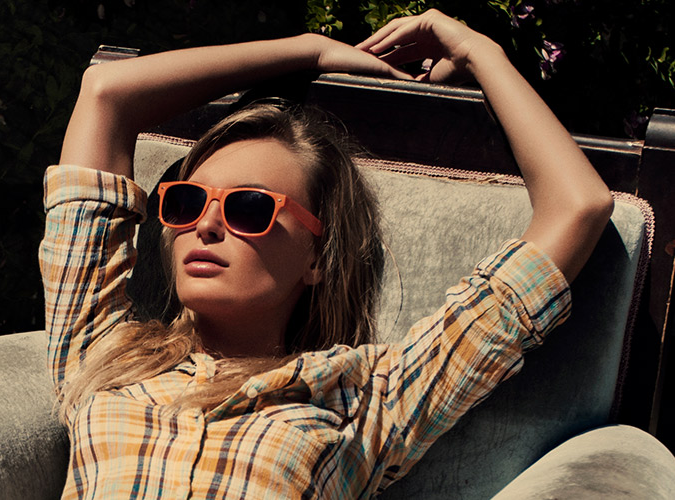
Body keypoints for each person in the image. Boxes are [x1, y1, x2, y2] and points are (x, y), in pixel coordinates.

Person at [39, 9, 613, 499]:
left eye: (248, 208)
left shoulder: (364, 402)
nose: (207, 224)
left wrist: (476, 48)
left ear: (317, 257)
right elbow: (107, 94)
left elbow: (578, 207)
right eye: (187, 203)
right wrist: (309, 49)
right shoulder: (102, 351)